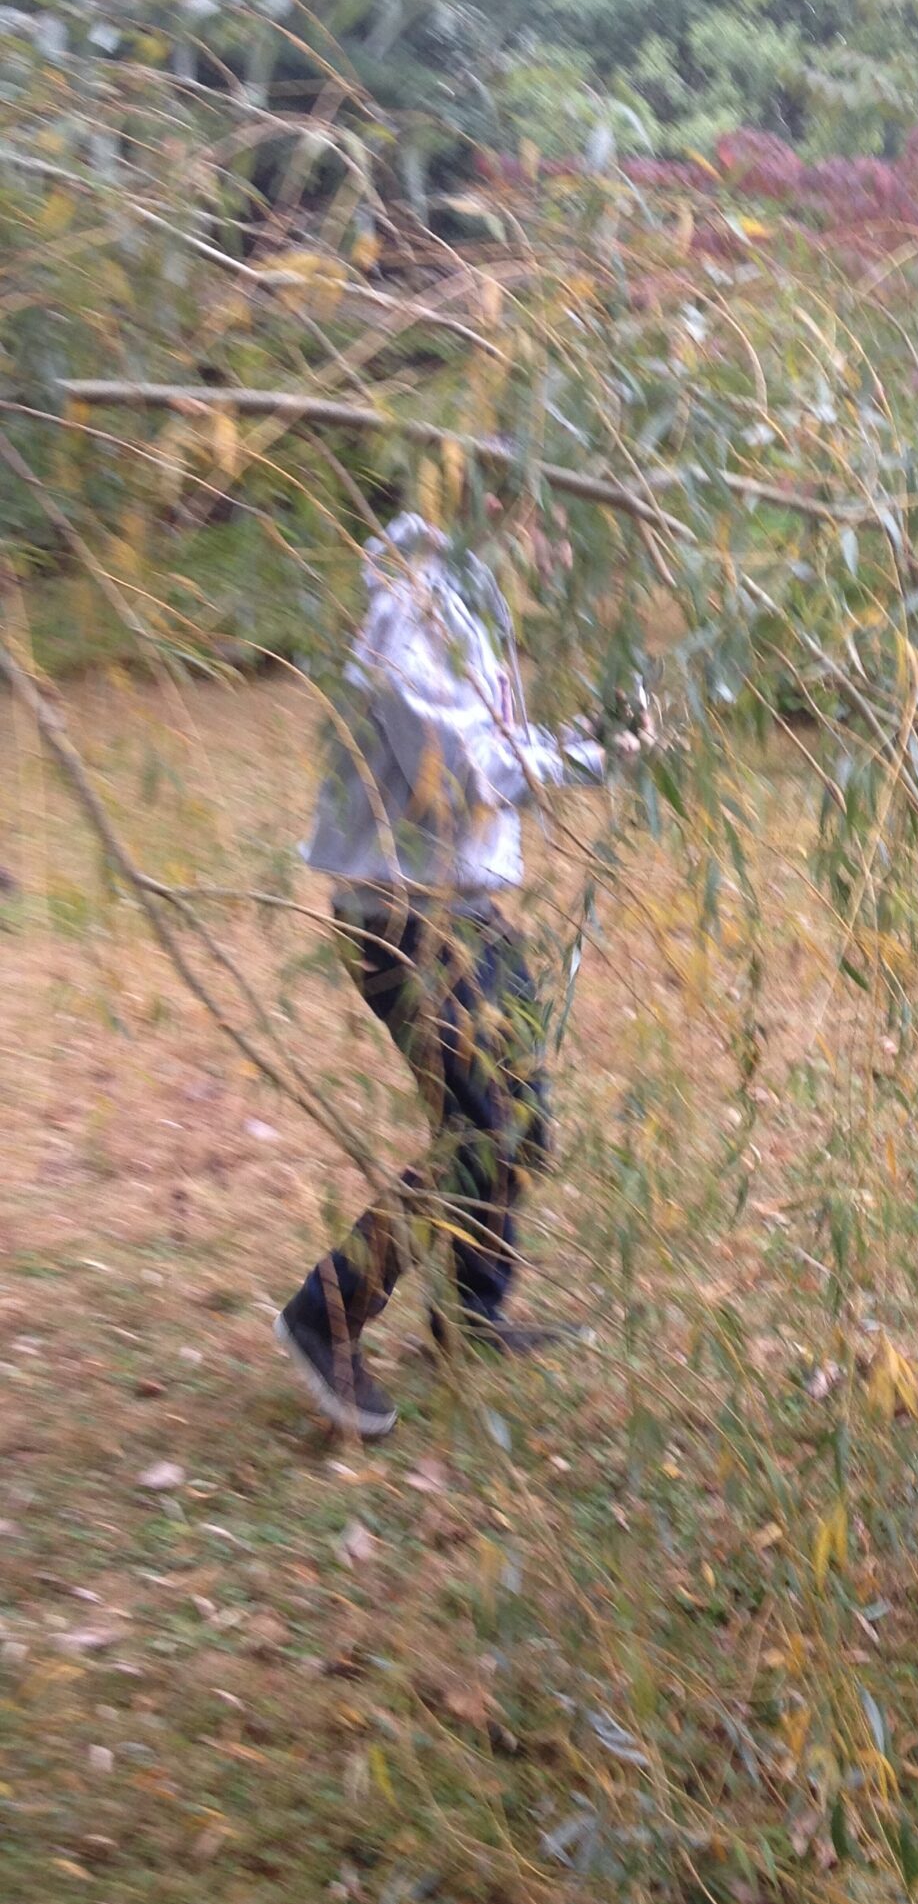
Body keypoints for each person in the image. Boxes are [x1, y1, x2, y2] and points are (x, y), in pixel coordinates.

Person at [274, 512, 625, 1441]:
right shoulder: (417, 609)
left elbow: (492, 736)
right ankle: (324, 1315)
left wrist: (590, 736)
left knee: (522, 1121)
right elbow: (461, 772)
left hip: (464, 909)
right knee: (481, 1129)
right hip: (403, 916)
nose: (566, 544)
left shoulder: (471, 601)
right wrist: (594, 756)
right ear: (501, 503)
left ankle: (471, 1313)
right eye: (554, 519)